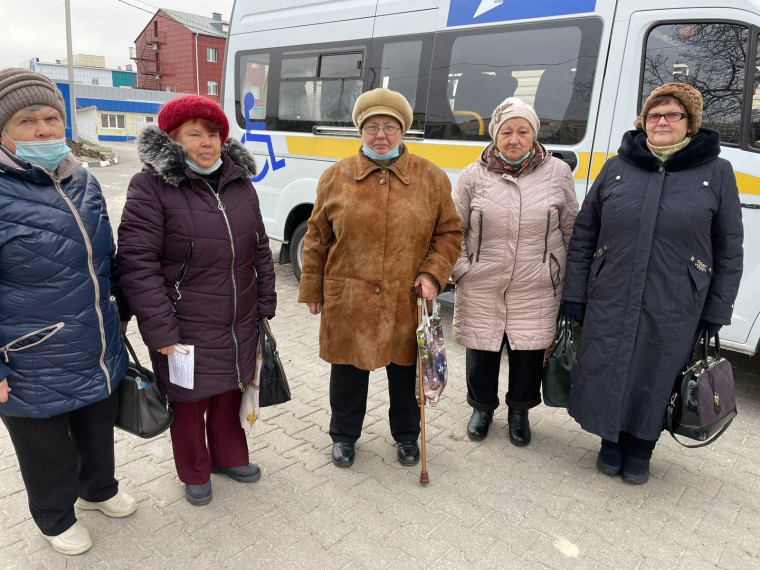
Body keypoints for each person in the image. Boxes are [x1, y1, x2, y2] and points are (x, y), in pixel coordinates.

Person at [562, 82, 743, 484]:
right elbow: (585, 232)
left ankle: (641, 447)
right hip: (611, 290)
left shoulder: (716, 172)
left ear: (690, 124)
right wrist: (575, 292)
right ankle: (610, 441)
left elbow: (730, 248)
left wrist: (718, 309)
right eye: (654, 115)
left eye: (672, 115)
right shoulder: (617, 167)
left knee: (657, 370)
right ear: (643, 121)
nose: (662, 121)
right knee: (609, 365)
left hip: (676, 297)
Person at [0, 68, 136, 556]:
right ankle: (54, 517)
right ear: (3, 133)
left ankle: (98, 489)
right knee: (46, 445)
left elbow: (106, 256)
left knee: (97, 425)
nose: (43, 130)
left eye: (51, 118)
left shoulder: (82, 181)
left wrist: (121, 313)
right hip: (29, 352)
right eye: (26, 121)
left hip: (94, 338)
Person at [117, 95, 276, 506]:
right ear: (172, 139)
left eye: (214, 134)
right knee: (189, 402)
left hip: (237, 318)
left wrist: (265, 305)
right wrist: (160, 329)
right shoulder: (150, 186)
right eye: (194, 134)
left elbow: (260, 247)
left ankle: (228, 457)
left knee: (230, 391)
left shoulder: (239, 182)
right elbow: (137, 264)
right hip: (183, 321)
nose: (207, 142)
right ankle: (194, 470)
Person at [297, 88, 463, 468]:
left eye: (390, 126)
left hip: (407, 296)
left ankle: (407, 436)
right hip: (349, 295)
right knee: (348, 373)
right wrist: (312, 288)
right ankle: (343, 436)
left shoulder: (431, 178)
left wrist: (433, 274)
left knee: (405, 371)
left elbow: (450, 233)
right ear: (360, 130)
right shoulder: (335, 176)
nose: (381, 135)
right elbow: (318, 237)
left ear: (402, 131)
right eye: (372, 126)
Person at [451, 97, 579, 445]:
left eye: (523, 131)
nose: (514, 138)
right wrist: (463, 269)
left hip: (536, 284)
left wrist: (565, 277)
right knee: (482, 349)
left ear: (534, 135)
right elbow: (452, 230)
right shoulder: (473, 175)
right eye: (506, 131)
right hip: (482, 282)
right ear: (495, 135)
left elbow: (571, 230)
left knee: (528, 354)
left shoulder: (557, 173)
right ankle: (482, 408)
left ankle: (519, 412)